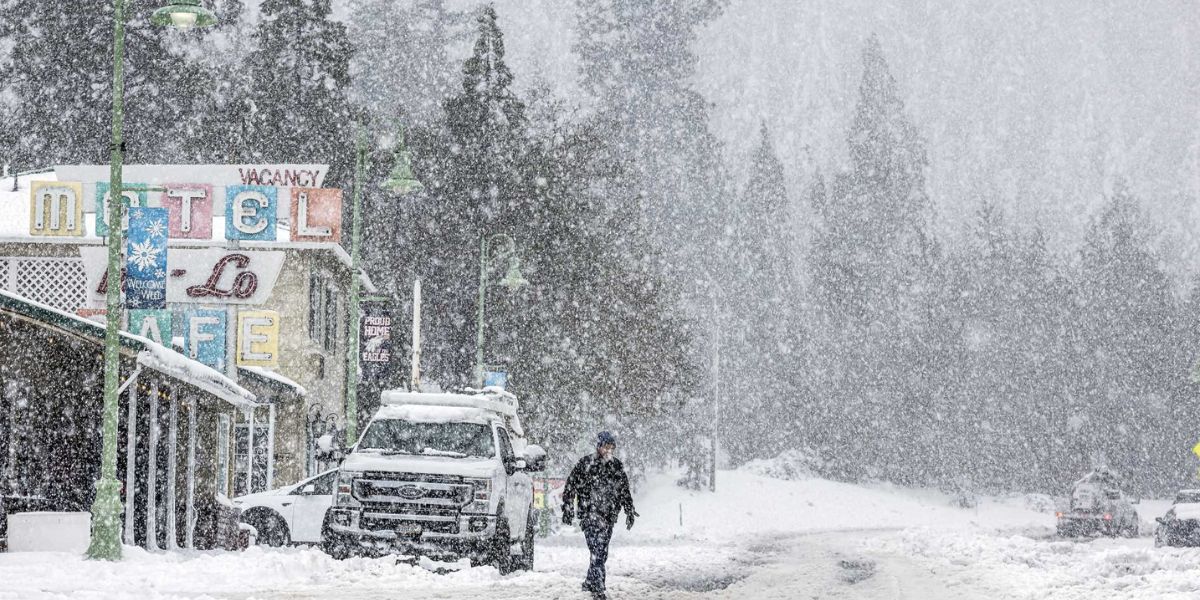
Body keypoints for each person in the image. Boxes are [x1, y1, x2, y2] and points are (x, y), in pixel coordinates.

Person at [562, 431, 638, 598]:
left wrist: (629, 510)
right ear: (599, 446)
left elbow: (624, 490)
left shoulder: (616, 466)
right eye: (606, 447)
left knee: (601, 552)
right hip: (589, 514)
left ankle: (590, 581)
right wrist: (567, 508)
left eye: (612, 448)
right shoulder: (585, 464)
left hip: (609, 516)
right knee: (598, 549)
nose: (609, 451)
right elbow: (570, 486)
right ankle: (598, 588)